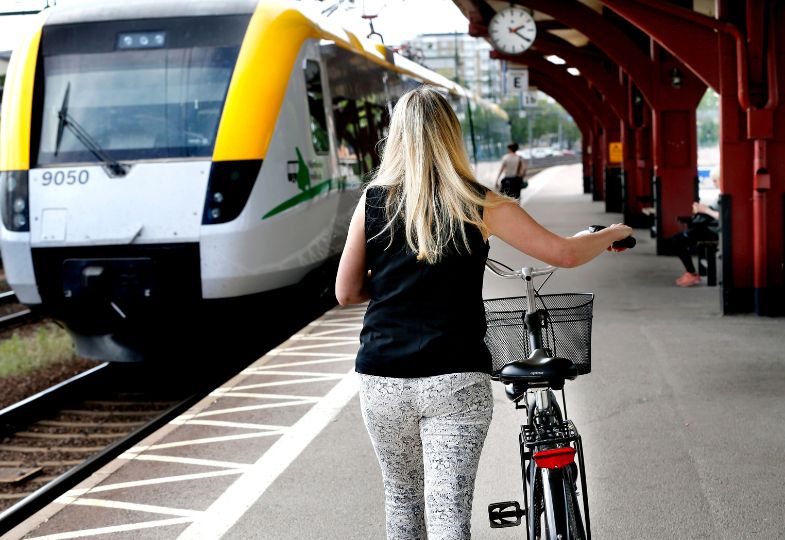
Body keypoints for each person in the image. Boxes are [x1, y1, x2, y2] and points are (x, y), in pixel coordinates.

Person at [335, 86, 631, 540]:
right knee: (448, 516)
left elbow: (346, 290)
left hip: (382, 378)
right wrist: (612, 231)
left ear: (397, 138)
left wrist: (402, 281)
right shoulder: (479, 203)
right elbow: (564, 254)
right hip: (455, 377)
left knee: (402, 501)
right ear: (452, 137)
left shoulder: (373, 201)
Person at [668, 169, 721, 287]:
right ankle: (691, 272)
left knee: (677, 240)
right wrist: (701, 209)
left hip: (714, 231)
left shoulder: (725, 196)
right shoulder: (721, 195)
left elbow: (723, 217)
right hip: (709, 229)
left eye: (715, 180)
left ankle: (691, 273)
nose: (714, 183)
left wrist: (705, 210)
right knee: (677, 240)